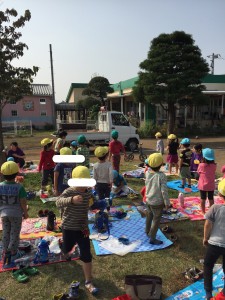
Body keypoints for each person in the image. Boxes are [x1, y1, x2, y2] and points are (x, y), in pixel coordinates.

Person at [56, 166, 99, 296]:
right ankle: (64, 248)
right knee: (68, 248)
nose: (82, 187)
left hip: (82, 228)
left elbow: (91, 204)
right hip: (68, 227)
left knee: (86, 255)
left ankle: (88, 281)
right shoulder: (69, 191)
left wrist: (99, 204)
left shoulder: (88, 192)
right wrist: (71, 200)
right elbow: (58, 202)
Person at [0, 161, 28, 267]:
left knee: (6, 232)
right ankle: (13, 253)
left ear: (2, 174)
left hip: (4, 214)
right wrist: (25, 213)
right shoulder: (19, 187)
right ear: (17, 174)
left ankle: (5, 250)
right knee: (15, 234)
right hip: (16, 215)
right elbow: (23, 202)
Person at [203, 179, 225, 300]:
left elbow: (207, 224)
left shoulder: (215, 207)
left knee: (208, 265)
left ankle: (208, 293)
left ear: (220, 194)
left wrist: (205, 238)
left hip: (214, 243)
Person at [145, 153, 170, 245]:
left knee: (149, 215)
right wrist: (167, 203)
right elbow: (164, 191)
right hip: (157, 202)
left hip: (148, 200)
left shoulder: (147, 172)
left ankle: (147, 231)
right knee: (156, 219)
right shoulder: (161, 176)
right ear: (161, 165)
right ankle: (152, 238)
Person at [197, 148, 216, 214]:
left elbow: (198, 172)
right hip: (211, 185)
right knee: (211, 198)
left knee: (203, 198)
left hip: (203, 185)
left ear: (203, 157)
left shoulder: (201, 165)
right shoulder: (214, 165)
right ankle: (211, 212)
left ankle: (203, 212)